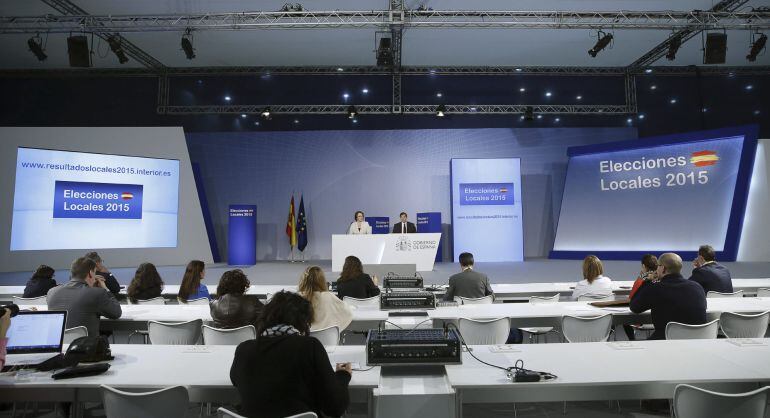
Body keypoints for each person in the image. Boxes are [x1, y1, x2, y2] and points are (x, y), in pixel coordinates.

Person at [230, 291, 352, 418]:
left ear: (265, 317)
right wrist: (343, 376)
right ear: (304, 322)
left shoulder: (244, 350)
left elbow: (235, 379)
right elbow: (335, 407)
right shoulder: (309, 347)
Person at [630, 253, 707, 340]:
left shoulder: (656, 288)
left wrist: (648, 281)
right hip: (697, 342)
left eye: (658, 266)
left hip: (665, 343)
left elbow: (634, 307)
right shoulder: (697, 287)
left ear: (662, 268)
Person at [47, 257, 122, 337]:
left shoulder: (51, 292)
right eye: (95, 273)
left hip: (59, 345)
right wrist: (106, 289)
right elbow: (116, 313)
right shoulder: (98, 293)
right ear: (90, 273)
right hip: (86, 347)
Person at [299, 266, 353, 332]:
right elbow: (348, 313)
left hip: (304, 340)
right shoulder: (329, 296)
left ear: (303, 280)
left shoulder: (298, 298)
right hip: (328, 340)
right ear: (322, 280)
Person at [624, 254, 658, 340]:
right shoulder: (660, 278)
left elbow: (631, 299)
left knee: (624, 319)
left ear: (643, 266)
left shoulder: (641, 279)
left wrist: (640, 277)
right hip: (656, 318)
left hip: (640, 317)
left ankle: (632, 339)